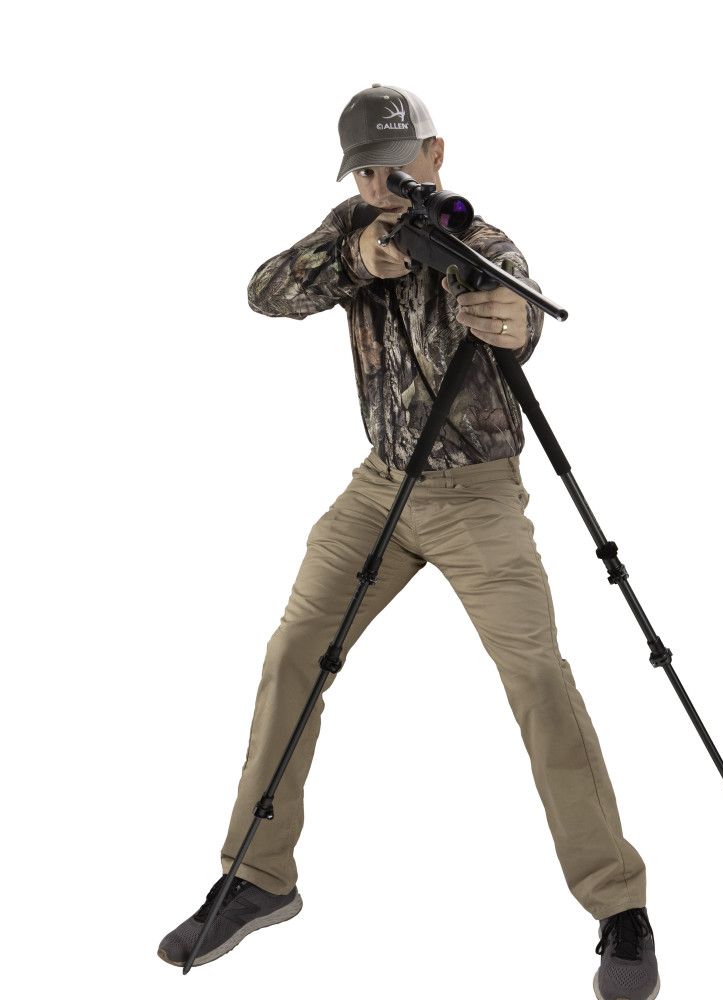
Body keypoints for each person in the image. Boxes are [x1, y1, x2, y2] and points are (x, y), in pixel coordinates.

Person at [157, 83, 658, 1000]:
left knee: (538, 677)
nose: (383, 186)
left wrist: (515, 324)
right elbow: (266, 291)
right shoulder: (352, 229)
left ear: (436, 156)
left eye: (396, 167)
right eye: (365, 173)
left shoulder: (479, 239)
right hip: (380, 485)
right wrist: (359, 256)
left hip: (477, 495)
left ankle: (618, 904)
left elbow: (517, 305)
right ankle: (258, 877)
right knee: (294, 649)